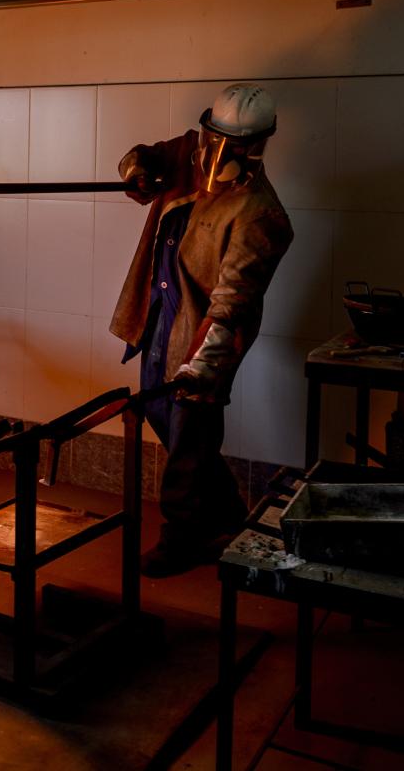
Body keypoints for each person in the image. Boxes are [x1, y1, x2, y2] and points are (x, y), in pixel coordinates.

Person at [110, 83, 293, 578]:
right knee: (162, 415)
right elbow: (141, 156)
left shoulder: (261, 213)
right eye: (215, 139)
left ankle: (183, 536)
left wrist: (200, 368)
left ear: (257, 145)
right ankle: (230, 516)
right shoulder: (189, 154)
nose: (220, 153)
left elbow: (231, 305)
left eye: (236, 146)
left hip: (205, 331)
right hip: (160, 315)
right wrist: (138, 171)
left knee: (190, 431)